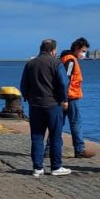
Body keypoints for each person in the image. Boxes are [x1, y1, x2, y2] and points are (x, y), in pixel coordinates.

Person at [20, 38, 71, 177]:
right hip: (53, 105)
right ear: (53, 50)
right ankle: (56, 167)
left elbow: (23, 85)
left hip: (35, 105)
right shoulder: (56, 63)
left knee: (37, 136)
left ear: (41, 48)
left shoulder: (30, 64)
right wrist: (64, 99)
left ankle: (37, 168)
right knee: (55, 137)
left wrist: (27, 98)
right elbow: (63, 83)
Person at [60, 37, 96, 158]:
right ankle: (79, 149)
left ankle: (50, 149)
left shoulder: (66, 58)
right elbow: (66, 79)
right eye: (83, 50)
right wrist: (65, 98)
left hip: (66, 96)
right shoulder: (70, 60)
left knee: (59, 123)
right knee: (76, 122)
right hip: (70, 97)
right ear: (76, 49)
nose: (84, 54)